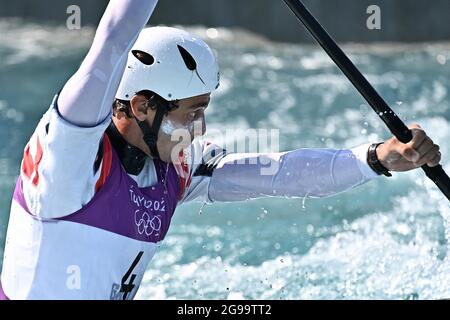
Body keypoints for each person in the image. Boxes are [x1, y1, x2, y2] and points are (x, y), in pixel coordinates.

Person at [0, 0, 441, 300]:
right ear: (141, 105)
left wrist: (378, 158)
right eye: (192, 113)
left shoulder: (174, 169)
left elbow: (280, 173)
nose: (201, 128)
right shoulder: (69, 160)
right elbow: (112, 41)